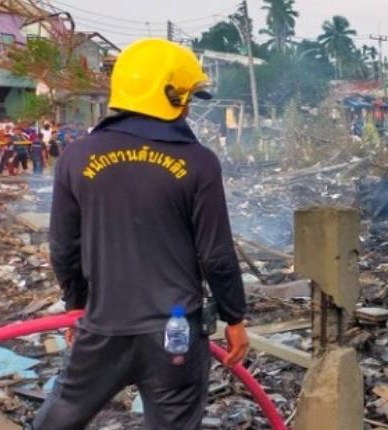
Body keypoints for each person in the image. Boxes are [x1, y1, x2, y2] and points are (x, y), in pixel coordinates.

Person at [38, 38, 249, 430]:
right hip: (175, 336)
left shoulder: (76, 156)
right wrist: (234, 317)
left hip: (102, 328)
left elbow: (64, 247)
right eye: (186, 97)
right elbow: (216, 254)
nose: (188, 107)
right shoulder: (199, 162)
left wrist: (75, 305)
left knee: (54, 422)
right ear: (168, 96)